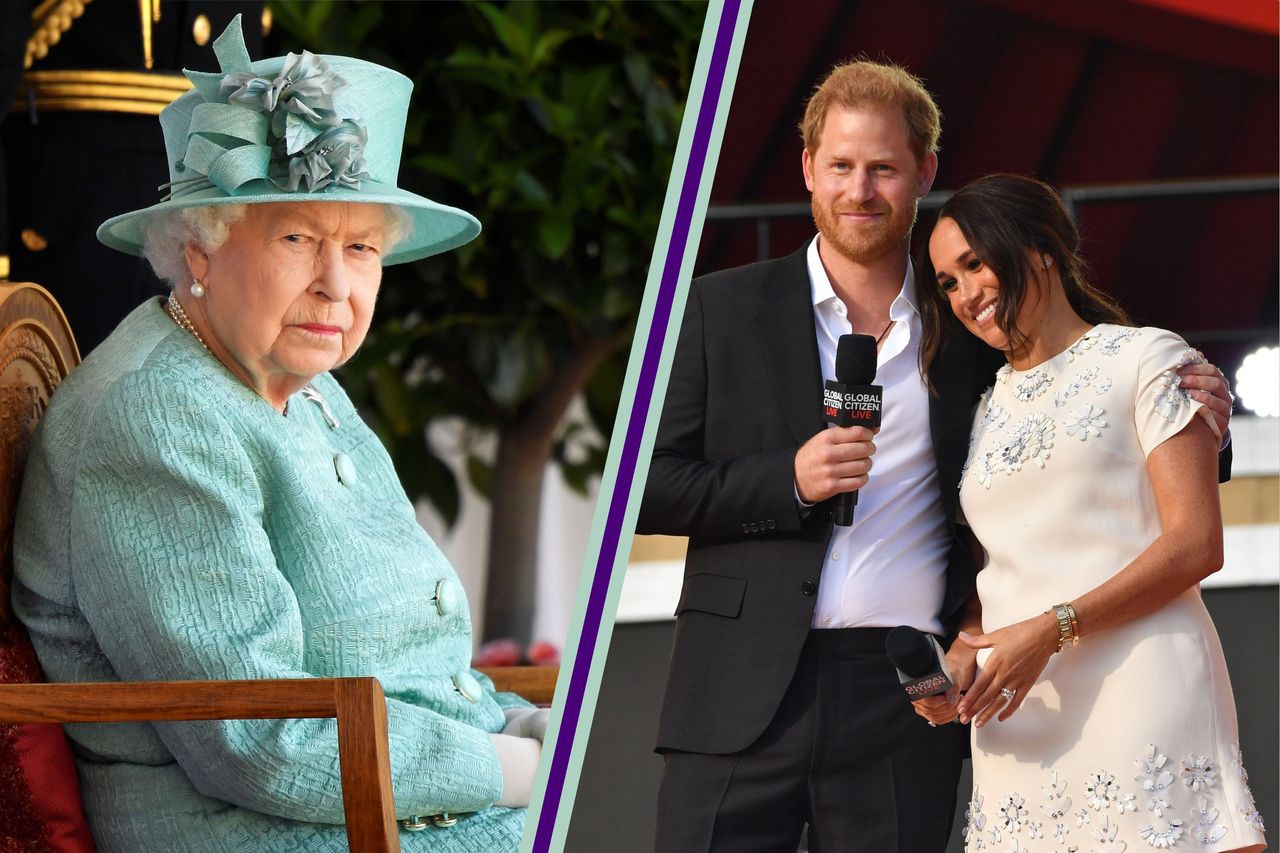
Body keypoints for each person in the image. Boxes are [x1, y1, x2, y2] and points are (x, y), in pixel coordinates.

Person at [636, 59, 1235, 852]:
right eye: (842, 166)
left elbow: (1079, 413)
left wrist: (1205, 426)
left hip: (907, 695)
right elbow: (644, 488)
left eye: (883, 167)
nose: (859, 190)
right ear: (809, 166)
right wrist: (784, 478)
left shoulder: (975, 319)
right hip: (736, 690)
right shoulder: (717, 307)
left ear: (925, 171)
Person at [12, 16, 544, 852]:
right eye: (300, 238)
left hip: (407, 806)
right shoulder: (156, 415)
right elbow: (263, 743)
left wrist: (529, 726)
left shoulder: (305, 382)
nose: (337, 284)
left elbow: (416, 660)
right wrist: (514, 768)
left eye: (363, 248)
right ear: (199, 248)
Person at [910, 174, 1266, 853]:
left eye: (975, 264)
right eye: (947, 282)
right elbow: (1005, 563)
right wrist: (964, 651)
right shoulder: (983, 406)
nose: (964, 294)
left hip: (1139, 686)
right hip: (1019, 719)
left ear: (1043, 248)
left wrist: (1051, 629)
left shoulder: (1147, 358)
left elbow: (1196, 543)